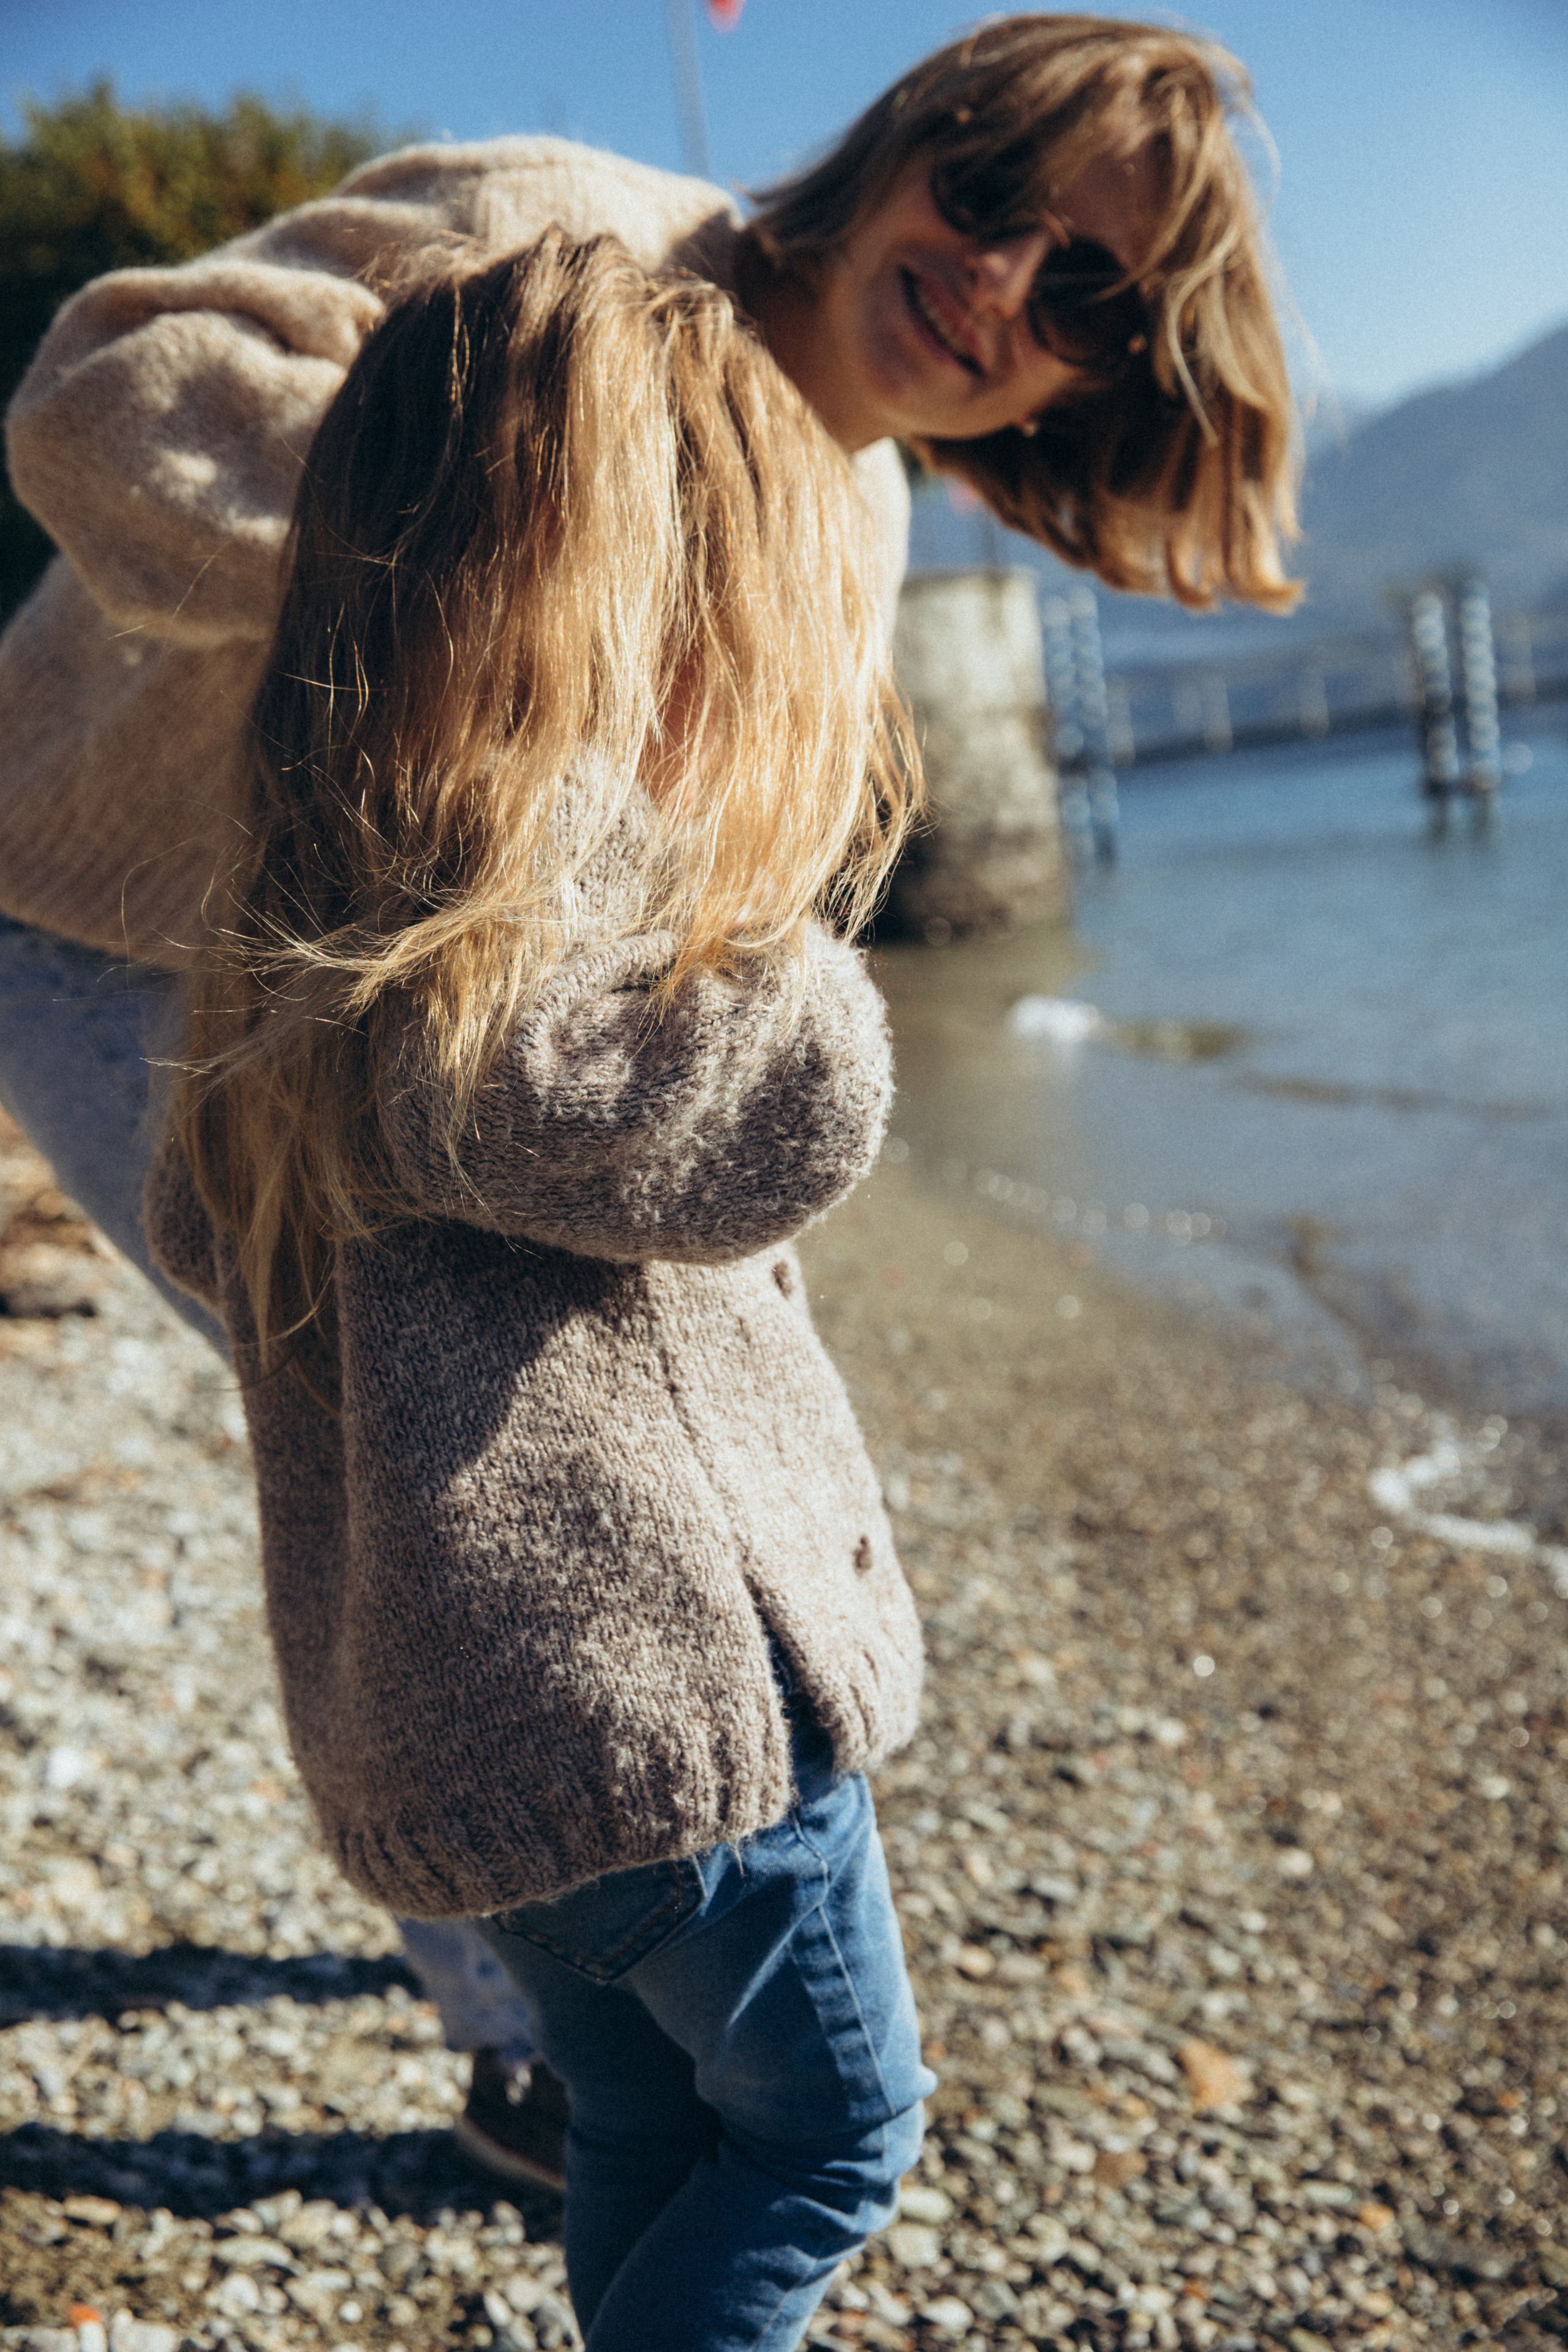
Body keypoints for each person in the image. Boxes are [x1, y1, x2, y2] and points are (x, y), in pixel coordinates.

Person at [0, 13, 1298, 2191]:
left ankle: (569, 1904)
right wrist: (475, 583)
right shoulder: (563, 233)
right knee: (398, 1454)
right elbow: (106, 402)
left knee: (516, 1429)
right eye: (994, 200)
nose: (998, 285)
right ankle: (535, 2011)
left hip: (455, 1037)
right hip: (137, 923)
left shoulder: (861, 512)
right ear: (912, 142)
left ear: (1101, 374)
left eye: (1080, 290)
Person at [145, 226, 930, 2350]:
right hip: (664, 1724)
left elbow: (208, 1222)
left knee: (647, 2140)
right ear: (638, 607)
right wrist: (748, 896)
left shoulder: (296, 934)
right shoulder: (521, 941)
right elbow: (797, 1109)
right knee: (828, 2137)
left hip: (480, 1758)